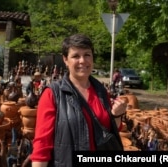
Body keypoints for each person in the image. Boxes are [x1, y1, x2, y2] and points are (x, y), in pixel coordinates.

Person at [31, 34, 127, 167]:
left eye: (87, 54)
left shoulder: (101, 91)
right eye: (76, 56)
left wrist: (116, 115)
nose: (82, 60)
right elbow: (42, 145)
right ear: (65, 59)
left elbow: (108, 131)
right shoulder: (52, 94)